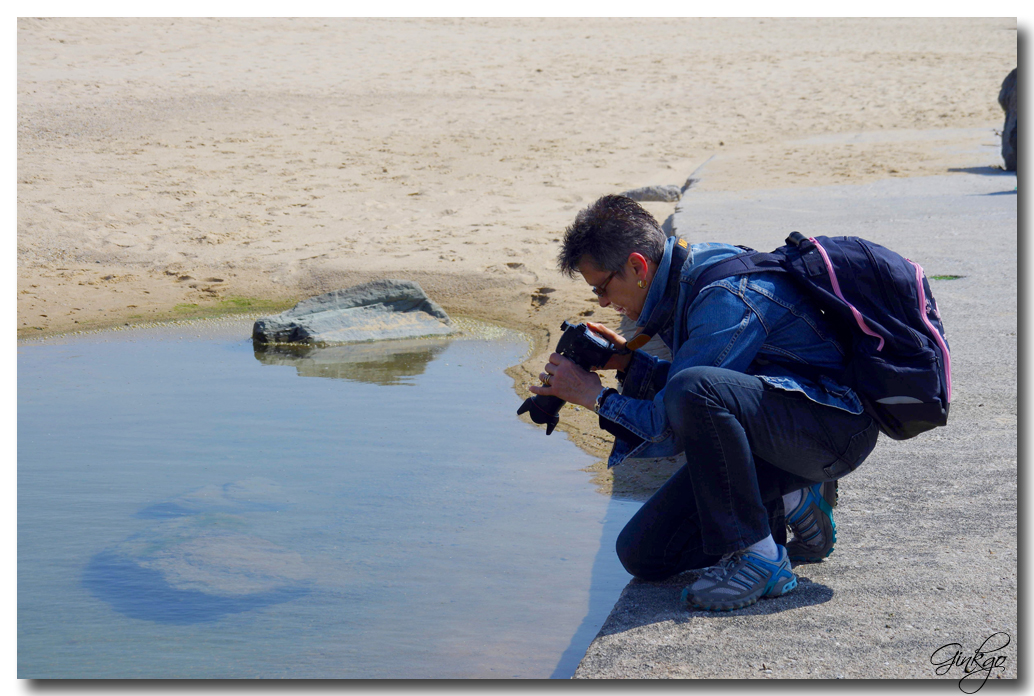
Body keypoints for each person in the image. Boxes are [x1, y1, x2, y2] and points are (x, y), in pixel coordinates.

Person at [527, 195, 880, 611]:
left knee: (695, 389)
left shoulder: (723, 296)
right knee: (643, 554)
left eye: (603, 287)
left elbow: (675, 420)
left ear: (638, 267)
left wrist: (593, 396)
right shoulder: (684, 278)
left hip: (833, 429)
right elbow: (705, 392)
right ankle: (796, 497)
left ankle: (761, 558)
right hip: (778, 427)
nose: (603, 303)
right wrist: (626, 361)